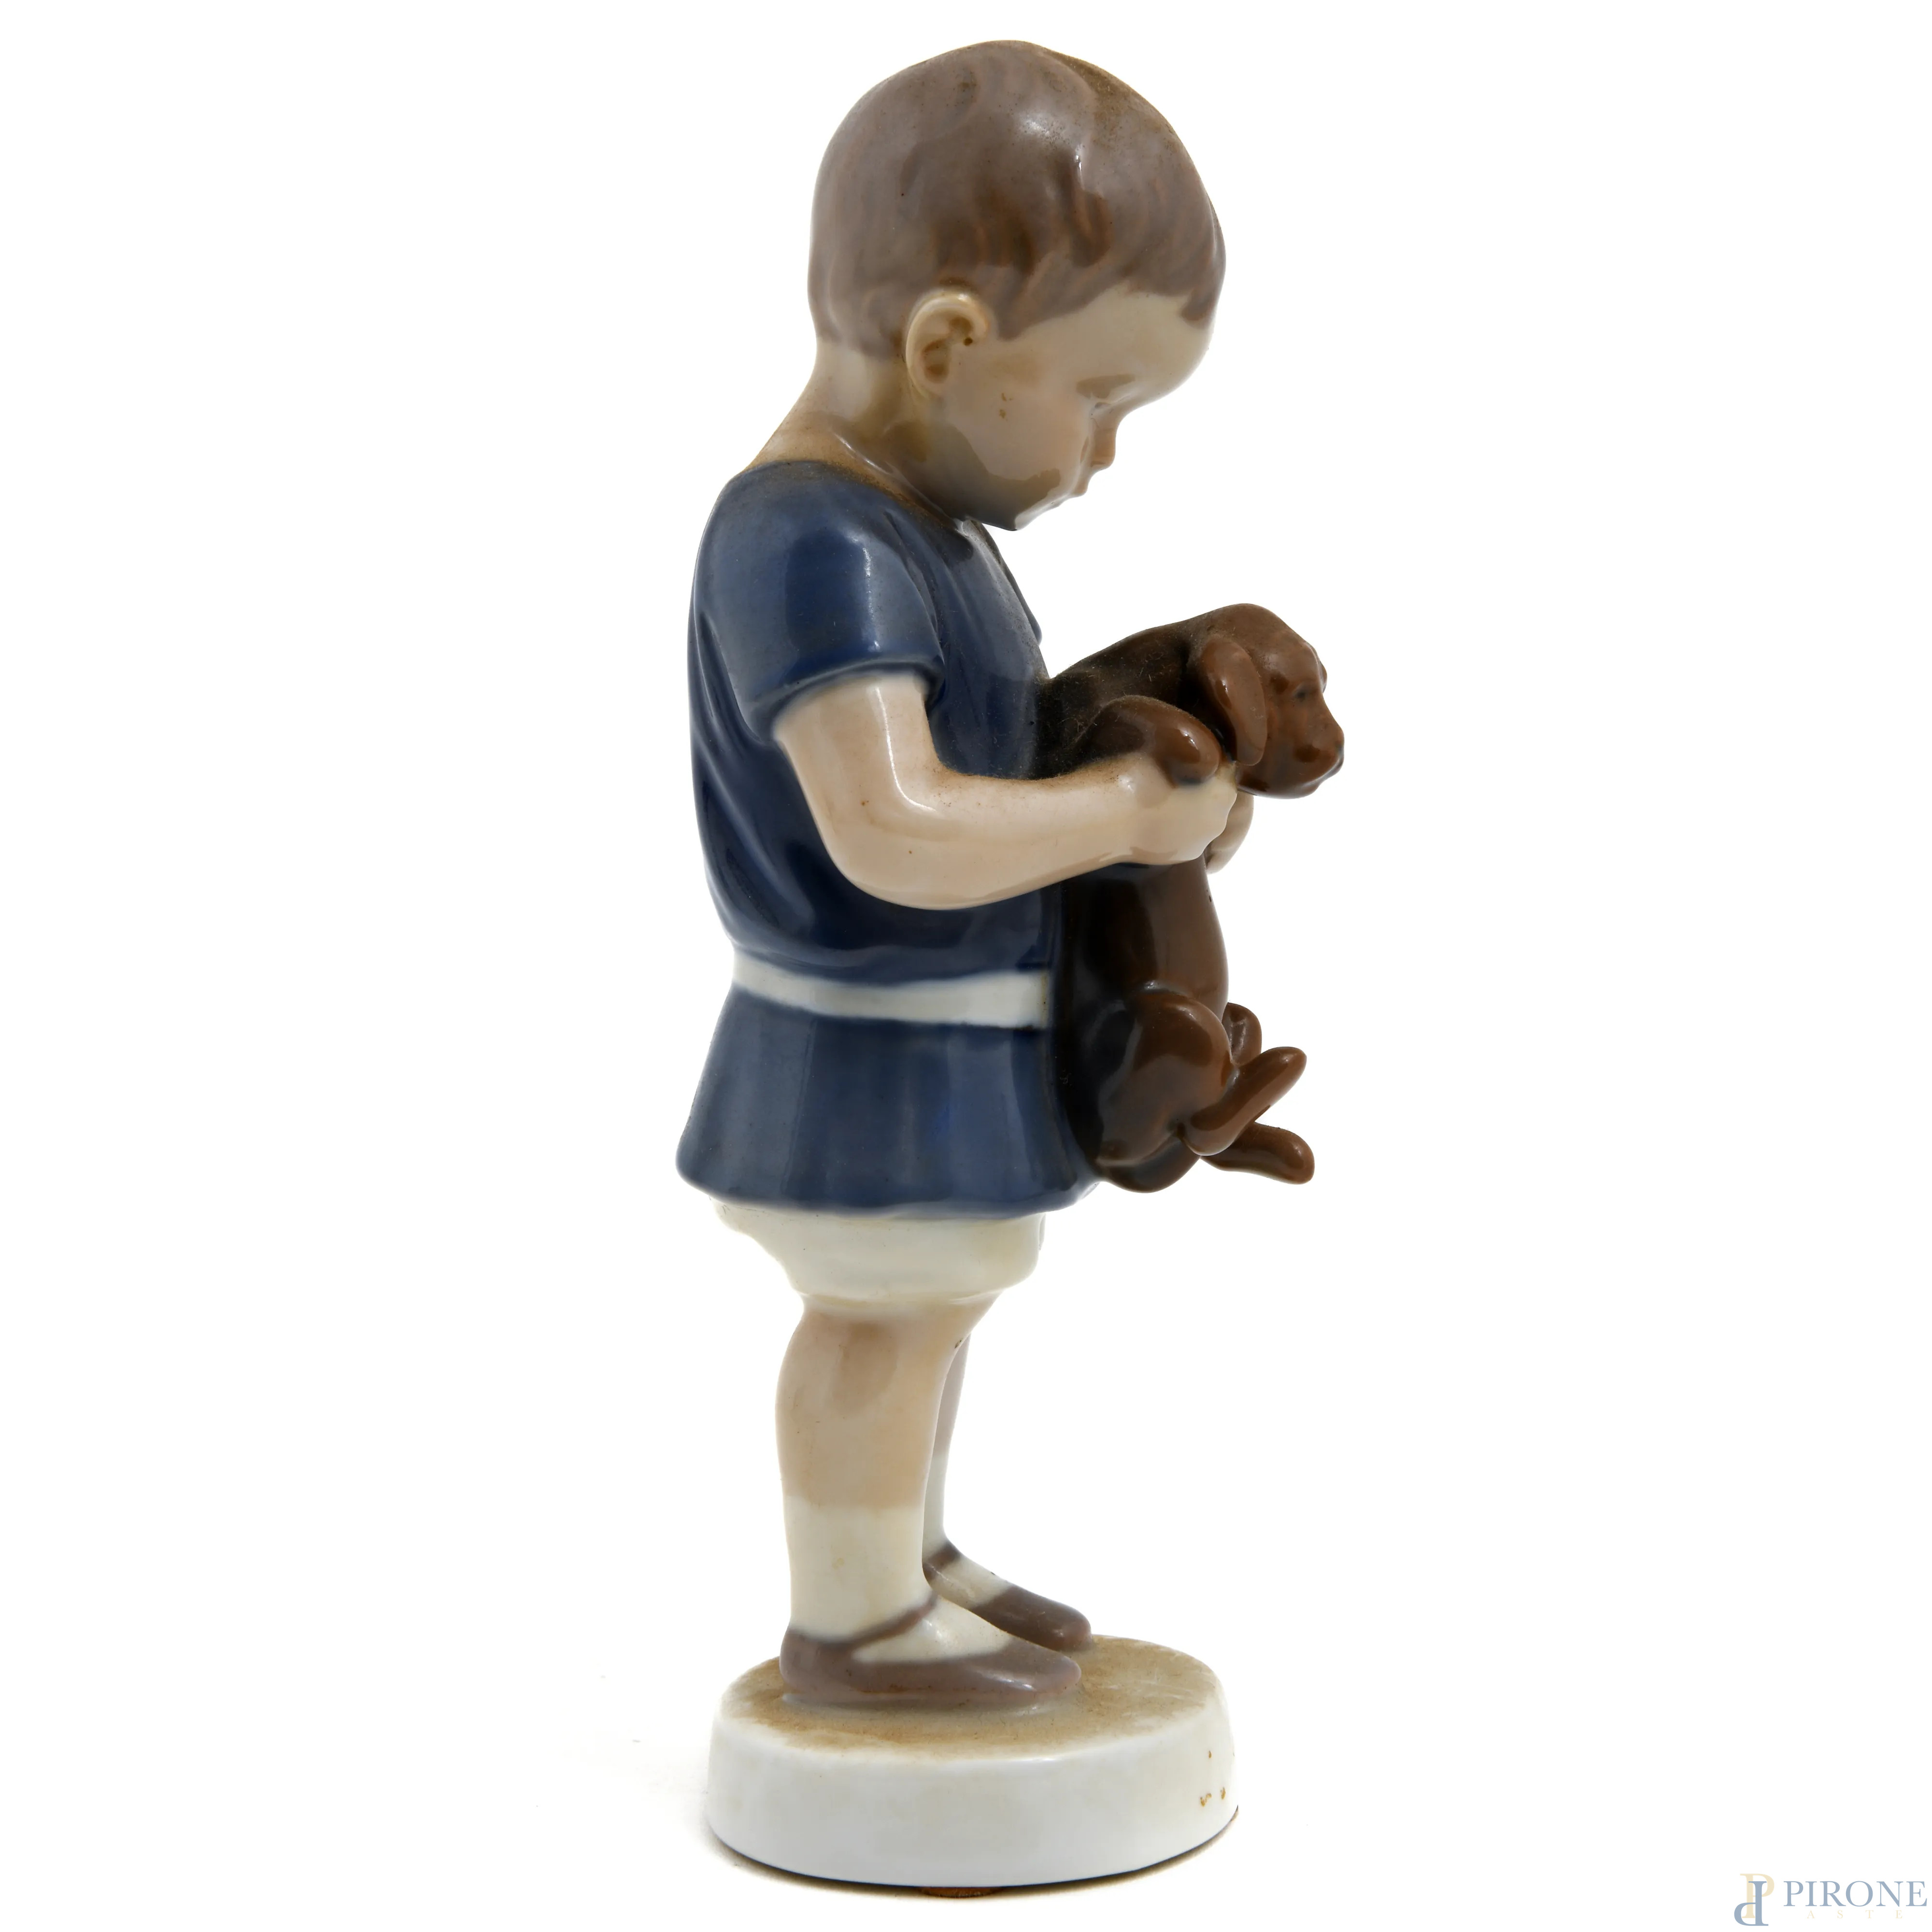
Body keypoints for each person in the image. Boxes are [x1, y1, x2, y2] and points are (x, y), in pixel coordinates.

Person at [677, 42, 1245, 1704]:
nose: (1105, 452)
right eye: (1098, 398)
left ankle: (906, 1559)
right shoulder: (814, 541)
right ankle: (853, 1616)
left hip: (939, 1033)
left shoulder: (924, 534)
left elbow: (996, 766)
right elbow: (896, 824)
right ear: (946, 347)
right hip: (856, 1043)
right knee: (883, 1313)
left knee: (937, 1302)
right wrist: (1123, 816)